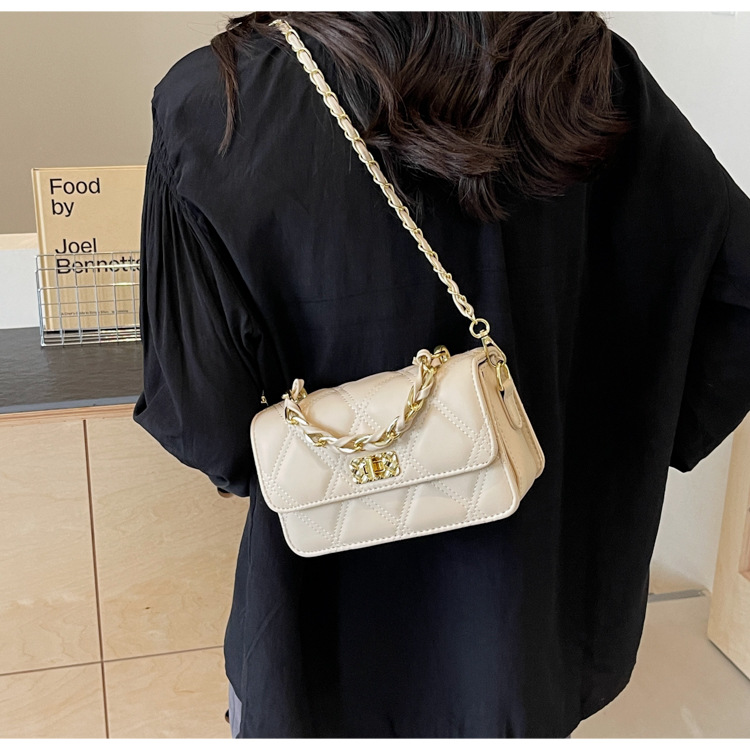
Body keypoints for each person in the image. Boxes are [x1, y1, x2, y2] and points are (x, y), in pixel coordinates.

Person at [133, 12, 750, 739]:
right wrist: (612, 450)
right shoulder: (591, 72)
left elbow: (202, 421)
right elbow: (735, 297)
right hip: (526, 632)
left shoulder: (215, 103)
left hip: (317, 635)